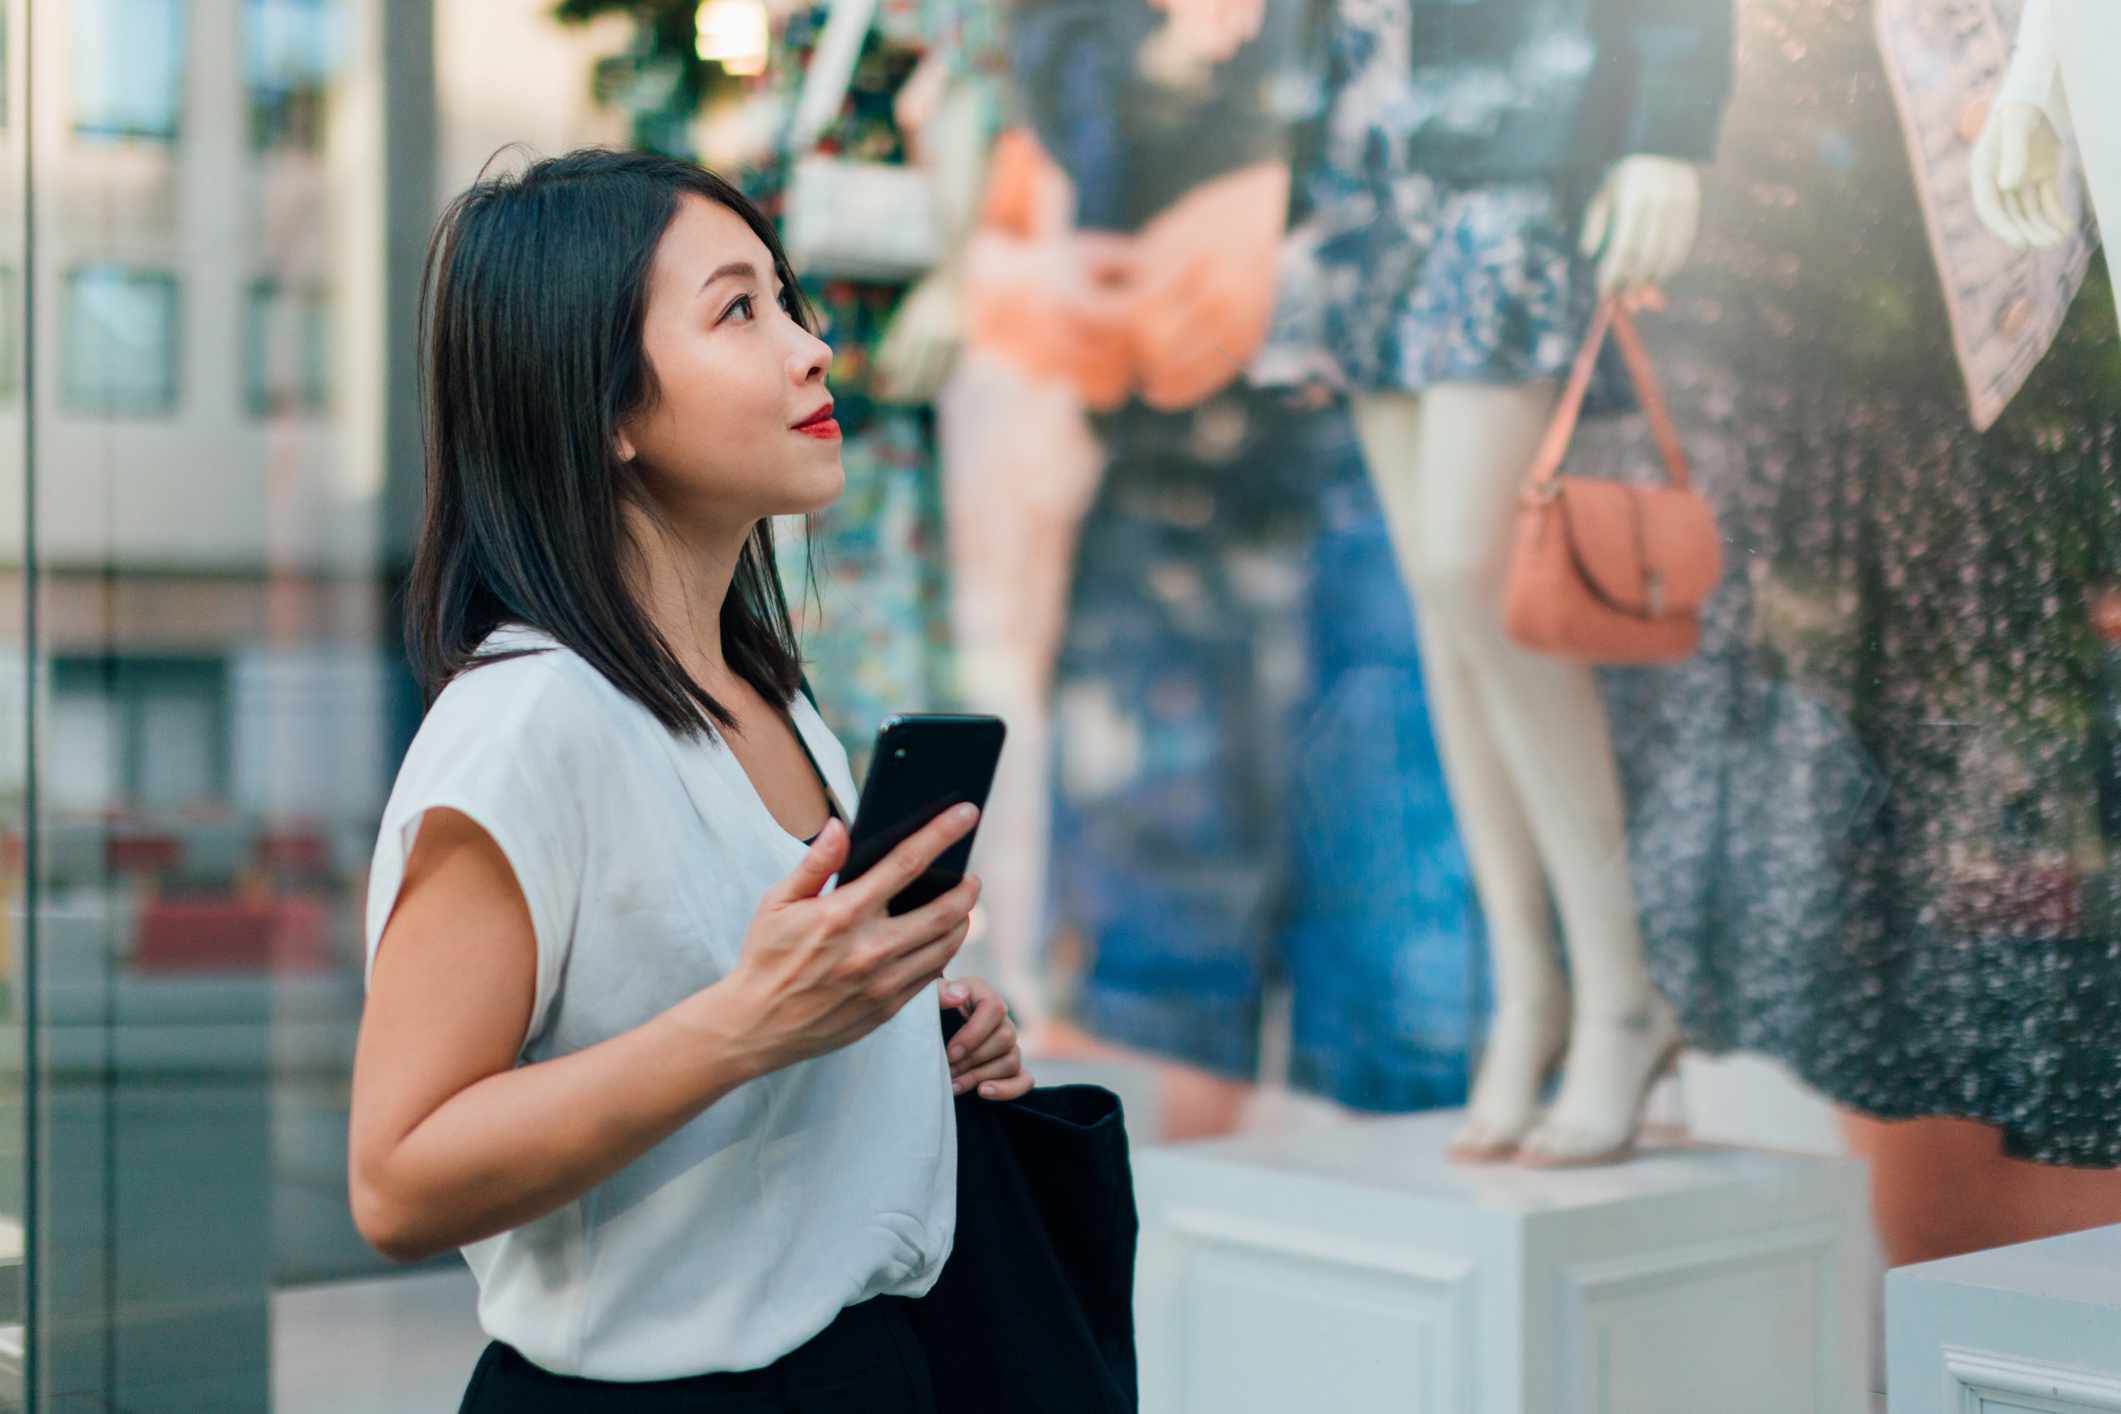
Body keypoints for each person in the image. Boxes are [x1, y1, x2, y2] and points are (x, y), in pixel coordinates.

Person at [345, 148, 1031, 1412]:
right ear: (604, 406)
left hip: (867, 1369)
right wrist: (755, 1023)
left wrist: (899, 1043)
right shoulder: (529, 724)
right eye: (737, 310)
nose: (811, 348)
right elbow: (397, 1178)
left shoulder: (768, 696)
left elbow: (733, 1035)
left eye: (787, 299)